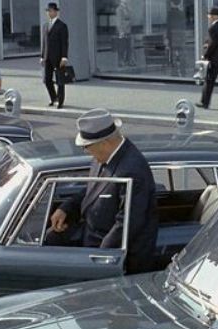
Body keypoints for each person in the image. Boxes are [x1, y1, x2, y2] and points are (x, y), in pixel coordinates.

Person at [48, 109, 159, 274]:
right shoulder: (105, 156)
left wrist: (99, 261)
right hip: (91, 243)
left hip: (114, 259)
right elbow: (94, 188)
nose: (86, 151)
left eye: (87, 146)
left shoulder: (132, 169)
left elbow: (127, 223)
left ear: (105, 142)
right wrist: (67, 207)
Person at [40, 1, 69, 109]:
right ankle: (53, 97)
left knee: (60, 80)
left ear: (56, 12)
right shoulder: (45, 26)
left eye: (51, 11)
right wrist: (42, 56)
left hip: (58, 57)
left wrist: (64, 57)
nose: (49, 13)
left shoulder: (62, 26)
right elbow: (44, 43)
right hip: (47, 57)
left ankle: (61, 101)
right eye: (48, 11)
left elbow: (64, 43)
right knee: (47, 80)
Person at [165, 0, 186, 76]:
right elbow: (183, 25)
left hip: (172, 34)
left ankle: (174, 71)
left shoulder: (170, 13)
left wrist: (167, 37)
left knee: (173, 53)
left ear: (172, 3)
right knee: (181, 52)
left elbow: (168, 26)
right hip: (180, 34)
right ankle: (182, 69)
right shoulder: (181, 13)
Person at [115, 0, 133, 67]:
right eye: (123, 1)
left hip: (128, 30)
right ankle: (121, 61)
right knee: (121, 47)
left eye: (125, 1)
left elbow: (130, 18)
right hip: (122, 31)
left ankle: (128, 60)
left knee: (129, 47)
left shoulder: (128, 9)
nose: (124, 3)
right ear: (120, 1)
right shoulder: (119, 9)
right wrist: (120, 31)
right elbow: (118, 21)